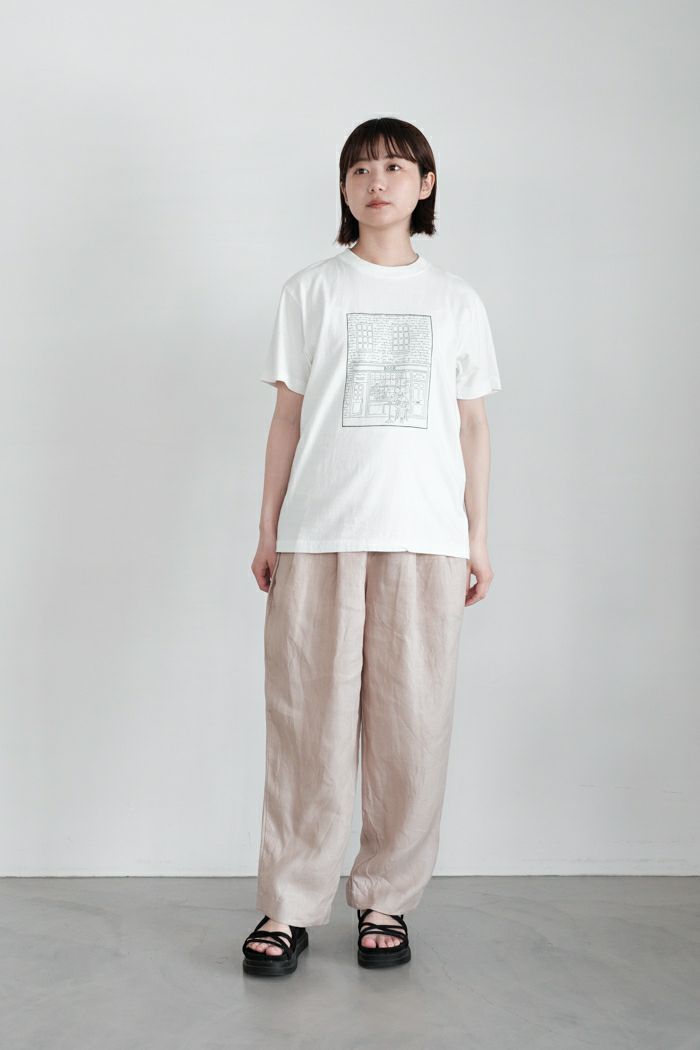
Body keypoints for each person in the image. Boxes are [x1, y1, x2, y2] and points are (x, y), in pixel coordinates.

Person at [242, 116, 502, 976]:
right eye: (359, 169)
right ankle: (290, 905)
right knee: (305, 724)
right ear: (344, 188)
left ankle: (386, 898)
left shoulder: (457, 301)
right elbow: (287, 419)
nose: (376, 181)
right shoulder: (310, 291)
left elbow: (473, 427)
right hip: (320, 534)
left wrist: (478, 535)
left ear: (425, 184)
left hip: (425, 538)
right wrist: (268, 526)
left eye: (394, 166)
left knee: (413, 727)